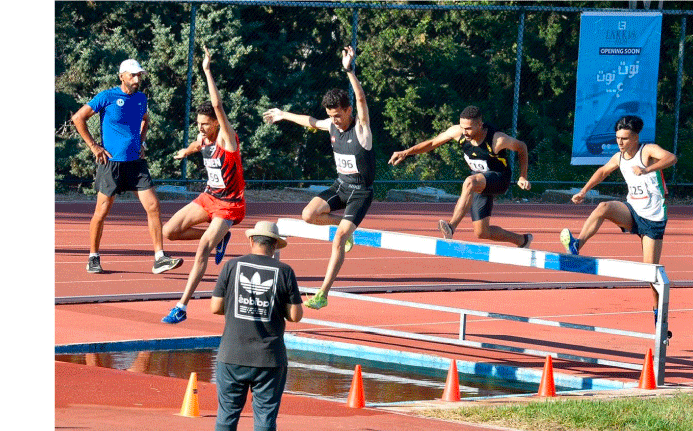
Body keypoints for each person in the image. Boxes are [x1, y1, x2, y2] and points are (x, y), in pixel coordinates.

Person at [261, 46, 373, 310]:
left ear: (348, 111)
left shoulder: (361, 129)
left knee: (338, 239)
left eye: (338, 115)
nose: (334, 120)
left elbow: (361, 100)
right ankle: (346, 229)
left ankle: (323, 293)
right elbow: (310, 121)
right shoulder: (331, 124)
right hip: (340, 186)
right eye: (331, 116)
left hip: (360, 192)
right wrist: (283, 114)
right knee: (308, 215)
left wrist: (349, 70)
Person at [208, 220, 303, 431]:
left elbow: (215, 307)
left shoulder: (231, 266)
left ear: (251, 241)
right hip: (270, 357)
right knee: (265, 416)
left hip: (232, 353)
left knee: (227, 413)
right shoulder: (284, 271)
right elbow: (295, 315)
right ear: (275, 246)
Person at [70, 58, 184, 275]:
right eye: (132, 75)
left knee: (153, 206)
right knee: (101, 212)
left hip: (136, 164)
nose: (136, 79)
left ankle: (159, 257)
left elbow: (145, 120)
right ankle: (93, 257)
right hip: (111, 164)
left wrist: (141, 142)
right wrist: (94, 147)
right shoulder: (107, 96)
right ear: (121, 76)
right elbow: (78, 118)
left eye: (139, 75)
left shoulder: (141, 99)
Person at [559, 115, 677, 322]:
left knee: (650, 273)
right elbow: (603, 171)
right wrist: (584, 190)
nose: (620, 143)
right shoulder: (619, 156)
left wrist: (646, 169)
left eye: (625, 139)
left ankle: (659, 312)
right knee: (603, 207)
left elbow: (671, 158)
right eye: (617, 138)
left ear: (636, 137)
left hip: (653, 218)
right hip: (632, 210)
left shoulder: (648, 151)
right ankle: (578, 244)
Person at [162, 48, 247, 324]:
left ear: (216, 124)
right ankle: (218, 238)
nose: (200, 128)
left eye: (205, 124)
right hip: (209, 197)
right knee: (170, 231)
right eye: (198, 124)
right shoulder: (204, 138)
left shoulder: (226, 139)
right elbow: (196, 145)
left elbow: (219, 107)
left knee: (202, 250)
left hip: (230, 206)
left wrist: (207, 71)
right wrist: (185, 152)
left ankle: (182, 306)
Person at [388, 106, 533, 247]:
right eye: (462, 127)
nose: (465, 132)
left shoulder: (497, 139)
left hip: (500, 179)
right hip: (479, 180)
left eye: (469, 128)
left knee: (469, 182)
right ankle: (522, 240)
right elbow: (432, 143)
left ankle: (451, 226)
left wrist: (523, 176)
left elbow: (522, 147)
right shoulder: (458, 132)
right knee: (482, 232)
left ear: (480, 124)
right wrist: (406, 152)